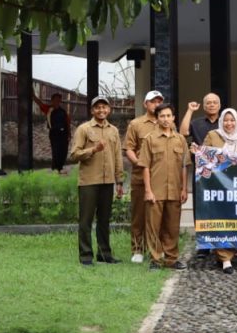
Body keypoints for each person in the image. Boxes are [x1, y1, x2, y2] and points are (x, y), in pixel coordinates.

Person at [69, 95, 123, 266]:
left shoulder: (113, 130)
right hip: (89, 181)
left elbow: (117, 156)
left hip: (108, 182)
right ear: (92, 110)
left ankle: (104, 254)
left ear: (109, 109)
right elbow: (74, 154)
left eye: (104, 107)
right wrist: (93, 149)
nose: (101, 110)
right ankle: (85, 256)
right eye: (98, 107)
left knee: (104, 219)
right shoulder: (84, 129)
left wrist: (119, 180)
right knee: (86, 220)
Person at [138, 103, 189, 271]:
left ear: (173, 117)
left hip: (175, 190)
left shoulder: (180, 140)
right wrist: (148, 190)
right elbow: (145, 166)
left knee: (172, 227)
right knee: (153, 227)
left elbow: (184, 166)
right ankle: (156, 259)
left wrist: (184, 189)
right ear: (157, 118)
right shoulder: (150, 139)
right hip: (156, 190)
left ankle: (172, 259)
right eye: (162, 116)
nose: (166, 119)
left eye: (168, 116)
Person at [202, 108, 237, 274]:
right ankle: (224, 258)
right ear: (222, 121)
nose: (229, 123)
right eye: (226, 120)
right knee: (219, 219)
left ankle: (232, 252)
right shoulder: (213, 135)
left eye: (232, 120)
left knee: (233, 219)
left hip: (235, 185)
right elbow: (203, 157)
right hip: (217, 185)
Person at [123, 90, 164, 264]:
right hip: (141, 176)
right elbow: (129, 149)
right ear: (145, 104)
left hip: (161, 176)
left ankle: (156, 247)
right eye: (153, 102)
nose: (156, 104)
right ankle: (138, 249)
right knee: (139, 214)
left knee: (158, 215)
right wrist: (140, 163)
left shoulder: (166, 122)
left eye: (159, 101)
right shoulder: (136, 124)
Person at [33, 91, 71, 173]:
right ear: (52, 101)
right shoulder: (48, 109)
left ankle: (60, 168)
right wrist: (33, 95)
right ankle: (55, 168)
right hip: (54, 133)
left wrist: (69, 134)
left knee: (64, 151)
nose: (57, 101)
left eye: (59, 100)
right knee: (56, 151)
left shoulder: (63, 112)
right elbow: (39, 103)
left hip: (63, 134)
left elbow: (67, 123)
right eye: (55, 99)